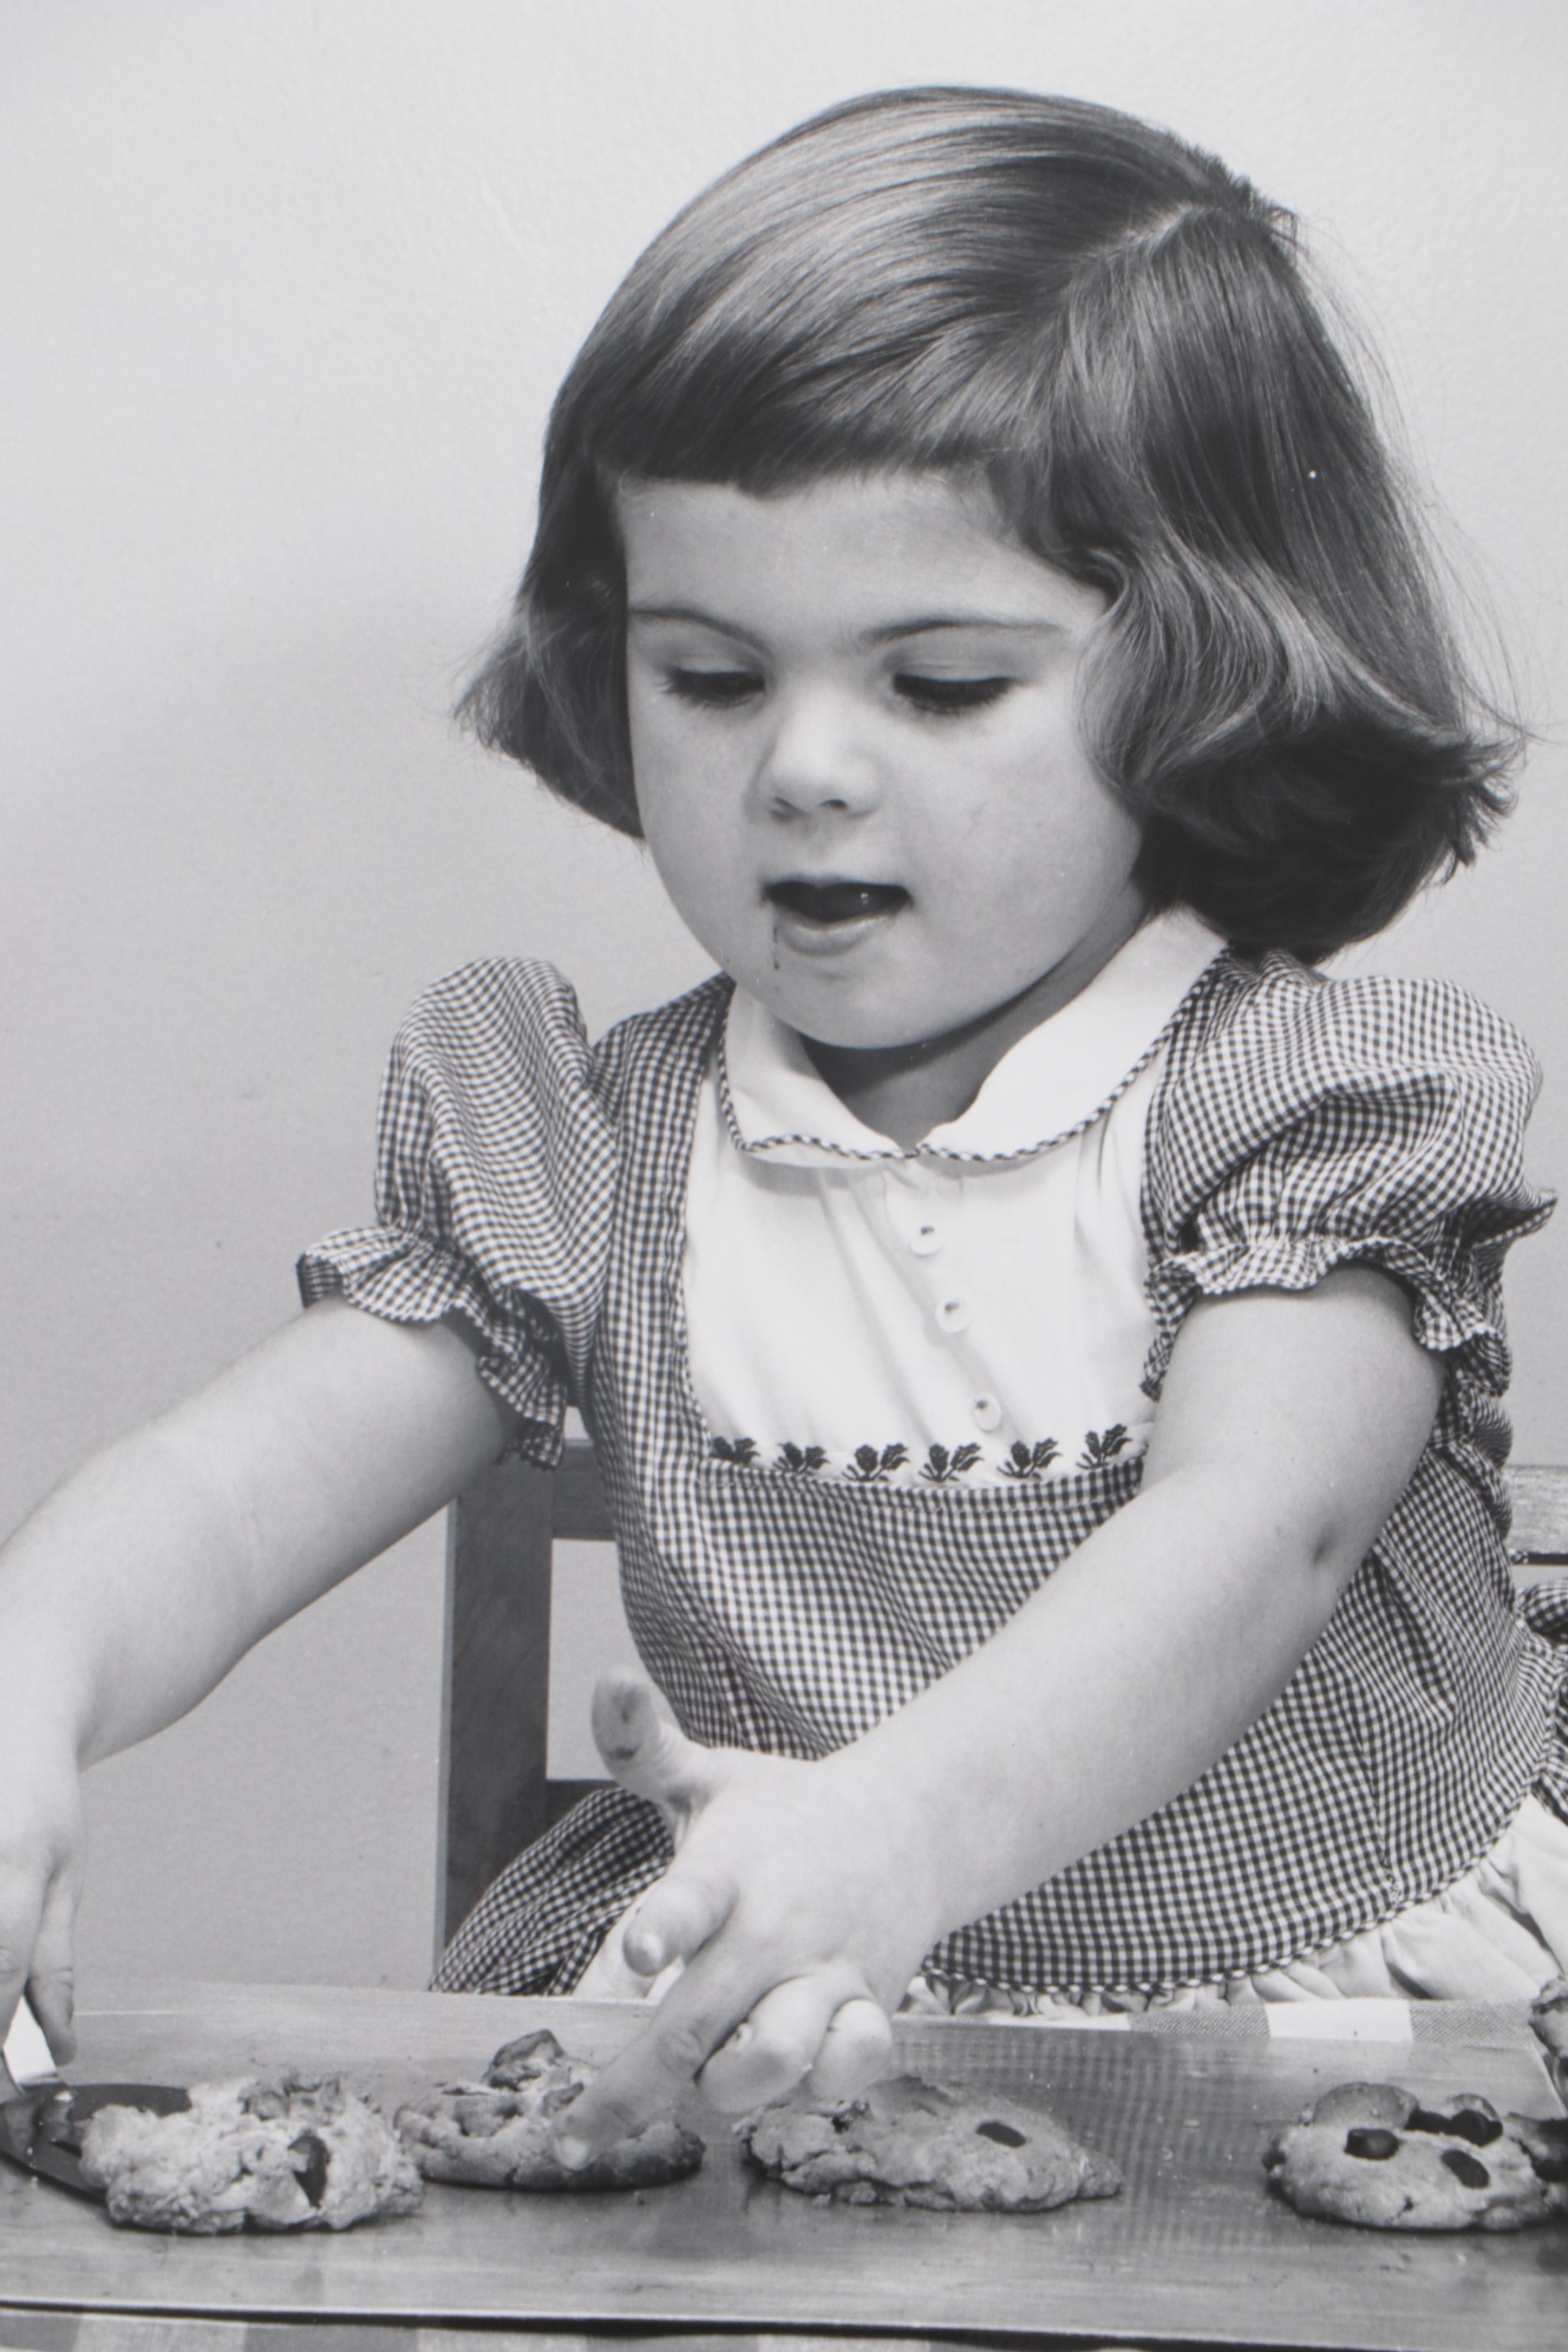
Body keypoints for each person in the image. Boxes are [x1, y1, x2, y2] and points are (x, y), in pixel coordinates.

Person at [2, 87, 1564, 2167]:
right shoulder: (592, 1146)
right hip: (798, 2034)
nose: (806, 770)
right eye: (715, 675)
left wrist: (897, 1833)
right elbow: (220, 1490)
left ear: (1197, 678)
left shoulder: (1299, 1115)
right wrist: (31, 1682)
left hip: (1335, 2035)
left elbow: (1253, 1538)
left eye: (938, 686)